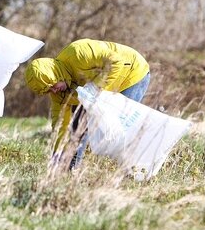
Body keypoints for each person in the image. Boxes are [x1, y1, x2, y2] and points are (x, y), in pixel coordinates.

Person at [24, 38, 150, 169]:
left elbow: (116, 61)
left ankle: (133, 170)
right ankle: (71, 170)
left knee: (122, 126)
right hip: (101, 88)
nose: (53, 90)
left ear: (54, 75)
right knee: (78, 125)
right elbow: (60, 125)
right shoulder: (58, 93)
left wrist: (95, 87)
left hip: (132, 72)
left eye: (52, 85)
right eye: (48, 90)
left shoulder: (78, 53)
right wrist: (57, 153)